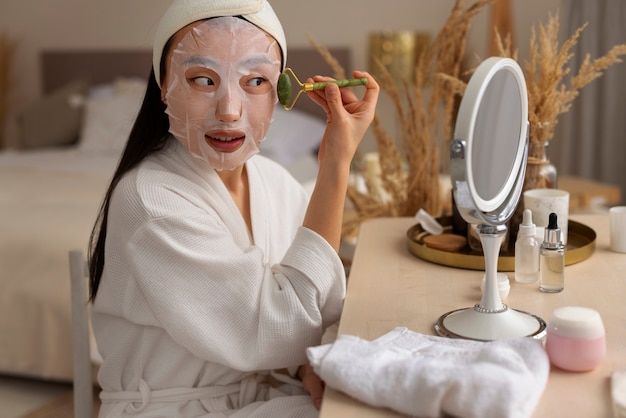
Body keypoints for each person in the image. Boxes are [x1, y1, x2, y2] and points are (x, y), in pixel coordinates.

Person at [87, 0, 379, 416]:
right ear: (163, 86)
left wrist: (306, 365)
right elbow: (283, 326)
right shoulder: (150, 201)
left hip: (268, 397)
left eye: (256, 81)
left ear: (279, 92)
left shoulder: (276, 183)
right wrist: (336, 165)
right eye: (202, 79)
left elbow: (324, 307)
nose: (229, 109)